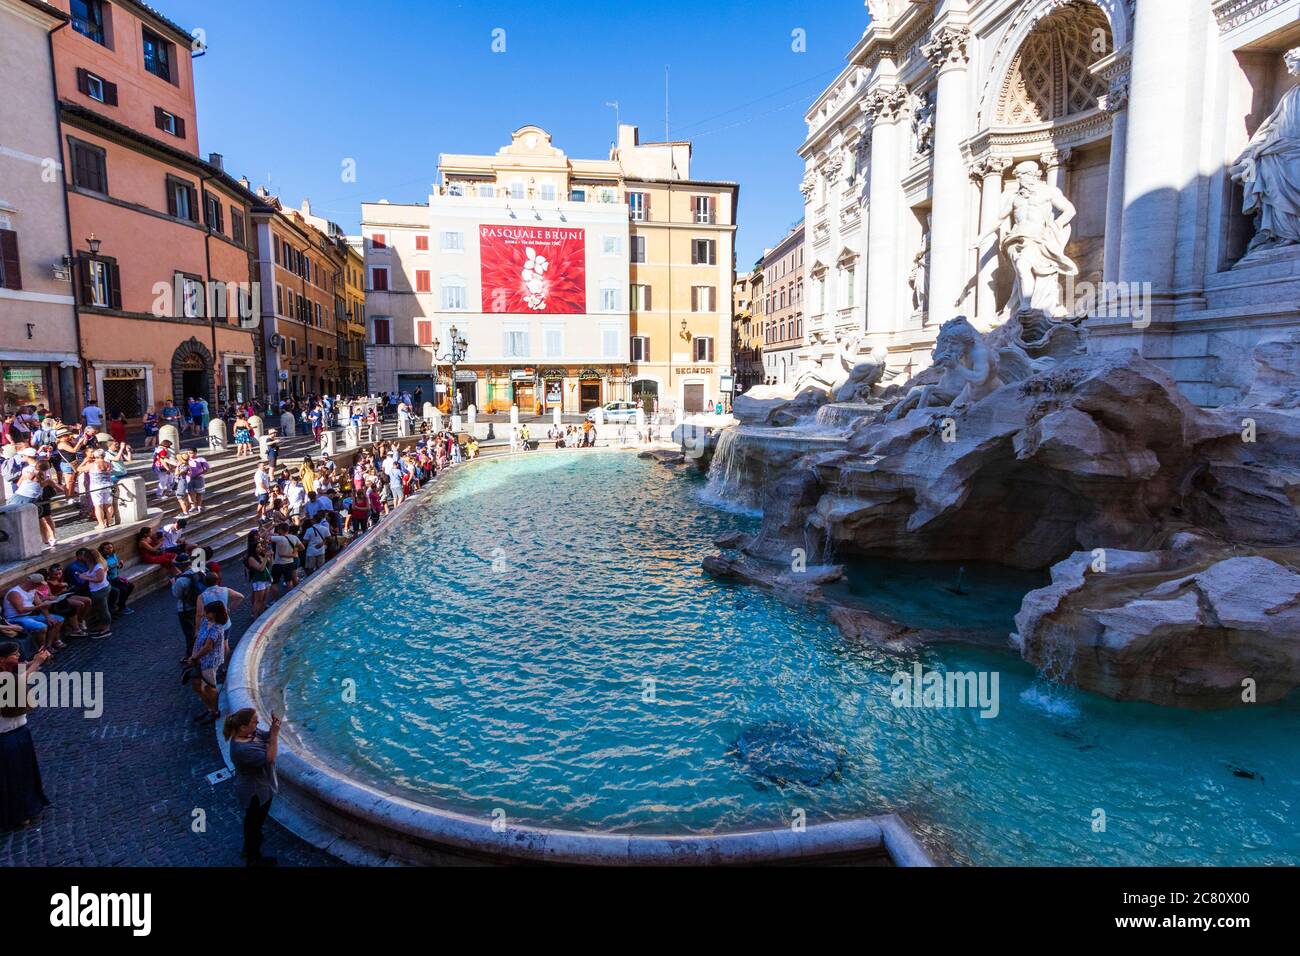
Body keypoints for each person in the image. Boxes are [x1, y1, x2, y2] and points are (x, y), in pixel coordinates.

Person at [0, 641, 53, 830]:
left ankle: (28, 808)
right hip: (5, 737)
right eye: (14, 654)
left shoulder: (9, 672)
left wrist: (35, 662)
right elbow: (15, 685)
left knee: (23, 774)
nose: (18, 656)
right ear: (2, 659)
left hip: (19, 732)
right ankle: (18, 815)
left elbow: (19, 675)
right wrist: (36, 663)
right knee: (12, 778)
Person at [223, 708, 280, 865]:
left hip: (259, 786)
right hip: (255, 790)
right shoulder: (242, 749)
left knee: (253, 820)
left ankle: (251, 845)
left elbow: (266, 736)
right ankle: (253, 858)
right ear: (243, 727)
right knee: (254, 821)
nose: (257, 724)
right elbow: (269, 757)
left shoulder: (250, 734)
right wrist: (274, 734)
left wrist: (273, 728)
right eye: (255, 722)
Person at [184, 603, 228, 724]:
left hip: (210, 661)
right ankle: (209, 708)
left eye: (207, 612)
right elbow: (198, 640)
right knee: (196, 684)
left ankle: (214, 711)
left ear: (214, 613)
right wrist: (193, 655)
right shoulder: (205, 622)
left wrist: (194, 657)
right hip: (199, 659)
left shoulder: (217, 628)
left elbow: (208, 647)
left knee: (210, 686)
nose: (204, 614)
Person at [3, 575, 63, 657]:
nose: (40, 586)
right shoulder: (15, 593)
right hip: (15, 618)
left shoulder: (33, 590)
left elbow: (40, 605)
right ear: (32, 583)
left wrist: (48, 617)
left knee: (59, 620)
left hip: (30, 615)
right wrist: (37, 607)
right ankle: (42, 652)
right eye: (38, 584)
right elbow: (20, 610)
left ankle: (48, 646)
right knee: (41, 627)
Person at [69, 547, 113, 639]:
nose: (83, 558)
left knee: (103, 610)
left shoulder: (98, 566)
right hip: (98, 590)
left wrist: (85, 578)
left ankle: (106, 629)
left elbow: (99, 579)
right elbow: (91, 573)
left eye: (85, 556)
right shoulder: (92, 564)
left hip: (100, 590)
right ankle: (102, 625)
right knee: (100, 609)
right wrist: (84, 574)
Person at [170, 553, 205, 656]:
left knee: (190, 634)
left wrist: (173, 584)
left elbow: (177, 595)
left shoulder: (181, 580)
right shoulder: (201, 571)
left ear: (180, 566)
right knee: (201, 629)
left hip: (186, 609)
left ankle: (191, 655)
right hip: (201, 605)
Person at [99, 542, 135, 615]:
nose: (110, 550)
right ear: (102, 550)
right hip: (108, 580)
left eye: (111, 548)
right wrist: (114, 566)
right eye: (107, 548)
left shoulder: (113, 555)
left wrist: (120, 565)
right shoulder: (101, 559)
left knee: (131, 586)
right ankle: (121, 607)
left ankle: (121, 604)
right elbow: (102, 570)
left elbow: (117, 567)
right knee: (123, 589)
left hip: (115, 577)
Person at [243, 533, 274, 617]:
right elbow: (260, 568)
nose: (260, 548)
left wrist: (270, 556)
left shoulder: (261, 555)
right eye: (258, 547)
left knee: (264, 600)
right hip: (258, 581)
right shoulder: (251, 558)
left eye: (260, 546)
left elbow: (271, 565)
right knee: (258, 601)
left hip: (266, 579)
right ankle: (256, 617)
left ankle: (262, 615)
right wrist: (265, 557)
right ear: (253, 549)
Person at [269, 523, 302, 591]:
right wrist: (295, 551)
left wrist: (271, 527)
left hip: (278, 563)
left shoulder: (278, 538)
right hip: (290, 562)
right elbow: (302, 547)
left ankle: (276, 600)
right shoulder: (294, 537)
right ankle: (290, 596)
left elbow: (263, 536)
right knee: (289, 581)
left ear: (280, 530)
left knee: (274, 583)